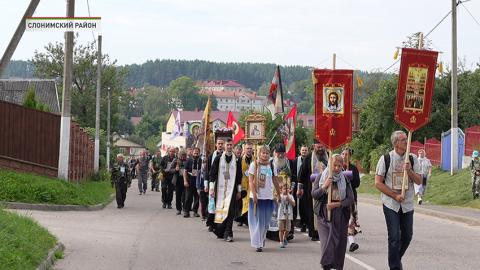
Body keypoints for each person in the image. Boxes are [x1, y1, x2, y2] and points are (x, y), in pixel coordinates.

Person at [375, 130, 422, 270]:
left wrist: (409, 171)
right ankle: (395, 267)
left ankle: (396, 258)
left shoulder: (412, 159)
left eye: (407, 139)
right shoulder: (386, 159)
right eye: (403, 140)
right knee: (394, 237)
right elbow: (378, 183)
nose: (407, 141)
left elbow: (419, 180)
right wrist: (394, 195)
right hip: (391, 204)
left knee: (407, 236)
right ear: (395, 143)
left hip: (407, 204)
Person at [312, 154, 354, 270]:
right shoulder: (321, 176)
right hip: (324, 215)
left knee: (339, 244)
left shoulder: (344, 179)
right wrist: (324, 187)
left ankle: (337, 266)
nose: (336, 168)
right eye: (334, 165)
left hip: (340, 216)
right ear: (329, 164)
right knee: (326, 242)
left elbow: (350, 198)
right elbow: (314, 194)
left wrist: (338, 204)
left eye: (339, 166)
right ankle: (326, 265)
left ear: (342, 166)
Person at [248, 145, 281, 252]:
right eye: (263, 153)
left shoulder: (271, 165)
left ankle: (262, 238)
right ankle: (258, 243)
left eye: (267, 153)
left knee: (266, 222)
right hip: (257, 198)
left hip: (268, 197)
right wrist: (254, 194)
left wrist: (279, 194)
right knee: (258, 221)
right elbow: (250, 181)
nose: (265, 155)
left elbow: (275, 180)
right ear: (259, 153)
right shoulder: (254, 164)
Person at [209, 138, 242, 242]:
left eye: (231, 145)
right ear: (224, 146)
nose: (229, 147)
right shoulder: (218, 158)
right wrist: (211, 188)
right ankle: (221, 230)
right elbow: (212, 174)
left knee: (230, 211)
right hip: (219, 190)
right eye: (227, 145)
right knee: (221, 210)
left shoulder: (236, 160)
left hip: (232, 190)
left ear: (232, 146)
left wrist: (239, 191)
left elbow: (239, 177)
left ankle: (229, 232)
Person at [298, 141, 328, 241]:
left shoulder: (328, 156)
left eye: (321, 147)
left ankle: (325, 231)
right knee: (312, 211)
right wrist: (300, 188)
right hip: (311, 189)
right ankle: (314, 232)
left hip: (327, 190)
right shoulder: (309, 158)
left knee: (324, 210)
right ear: (314, 146)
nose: (320, 149)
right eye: (318, 147)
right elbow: (301, 174)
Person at [267, 143, 294, 241]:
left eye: (282, 153)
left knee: (286, 213)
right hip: (273, 191)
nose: (281, 155)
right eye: (279, 153)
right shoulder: (270, 162)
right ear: (275, 153)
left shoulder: (289, 162)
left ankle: (286, 234)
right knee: (274, 214)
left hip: (286, 192)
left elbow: (293, 176)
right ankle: (273, 234)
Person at [341, 147, 361, 252]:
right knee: (340, 219)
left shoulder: (353, 168)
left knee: (350, 219)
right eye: (343, 154)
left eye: (347, 154)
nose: (344, 156)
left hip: (351, 197)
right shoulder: (337, 167)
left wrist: (350, 179)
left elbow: (357, 183)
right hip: (339, 198)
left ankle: (352, 242)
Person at [205, 138, 225, 231]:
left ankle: (219, 224)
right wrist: (206, 184)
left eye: (222, 143)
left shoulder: (227, 156)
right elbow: (207, 171)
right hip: (213, 182)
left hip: (223, 184)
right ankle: (211, 224)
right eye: (219, 143)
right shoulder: (210, 157)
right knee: (212, 204)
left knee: (221, 204)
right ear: (216, 145)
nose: (220, 145)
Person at [237, 142, 253, 227]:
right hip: (242, 184)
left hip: (251, 184)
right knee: (242, 201)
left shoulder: (255, 160)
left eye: (250, 148)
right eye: (247, 148)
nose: (249, 150)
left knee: (249, 202)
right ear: (244, 149)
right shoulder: (240, 160)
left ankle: (247, 219)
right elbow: (238, 173)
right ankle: (241, 218)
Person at [293, 145, 309, 231]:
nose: (304, 152)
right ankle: (300, 222)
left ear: (308, 151)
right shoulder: (296, 161)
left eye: (305, 150)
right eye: (303, 150)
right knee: (299, 205)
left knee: (306, 205)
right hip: (298, 186)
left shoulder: (310, 160)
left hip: (307, 186)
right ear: (300, 151)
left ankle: (306, 223)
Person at [183, 147, 201, 218]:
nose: (196, 154)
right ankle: (186, 211)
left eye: (197, 153)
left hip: (197, 181)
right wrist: (185, 181)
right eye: (194, 153)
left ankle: (195, 211)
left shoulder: (201, 161)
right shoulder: (188, 160)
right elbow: (185, 171)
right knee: (188, 197)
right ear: (192, 153)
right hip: (189, 180)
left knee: (197, 197)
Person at [277, 183, 295, 248]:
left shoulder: (291, 196)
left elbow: (293, 204)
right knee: (281, 229)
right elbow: (278, 201)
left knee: (288, 229)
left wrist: (289, 199)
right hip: (281, 215)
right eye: (284, 189)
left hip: (288, 216)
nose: (286, 190)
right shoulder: (280, 196)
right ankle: (281, 241)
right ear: (281, 190)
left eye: (288, 188)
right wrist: (279, 196)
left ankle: (284, 237)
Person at [174, 149, 188, 215]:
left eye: (184, 155)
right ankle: (178, 209)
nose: (182, 157)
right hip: (178, 180)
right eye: (181, 155)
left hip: (186, 180)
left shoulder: (188, 161)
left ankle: (185, 208)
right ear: (179, 155)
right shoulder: (176, 161)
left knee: (185, 195)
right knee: (178, 195)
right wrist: (175, 169)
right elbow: (170, 169)